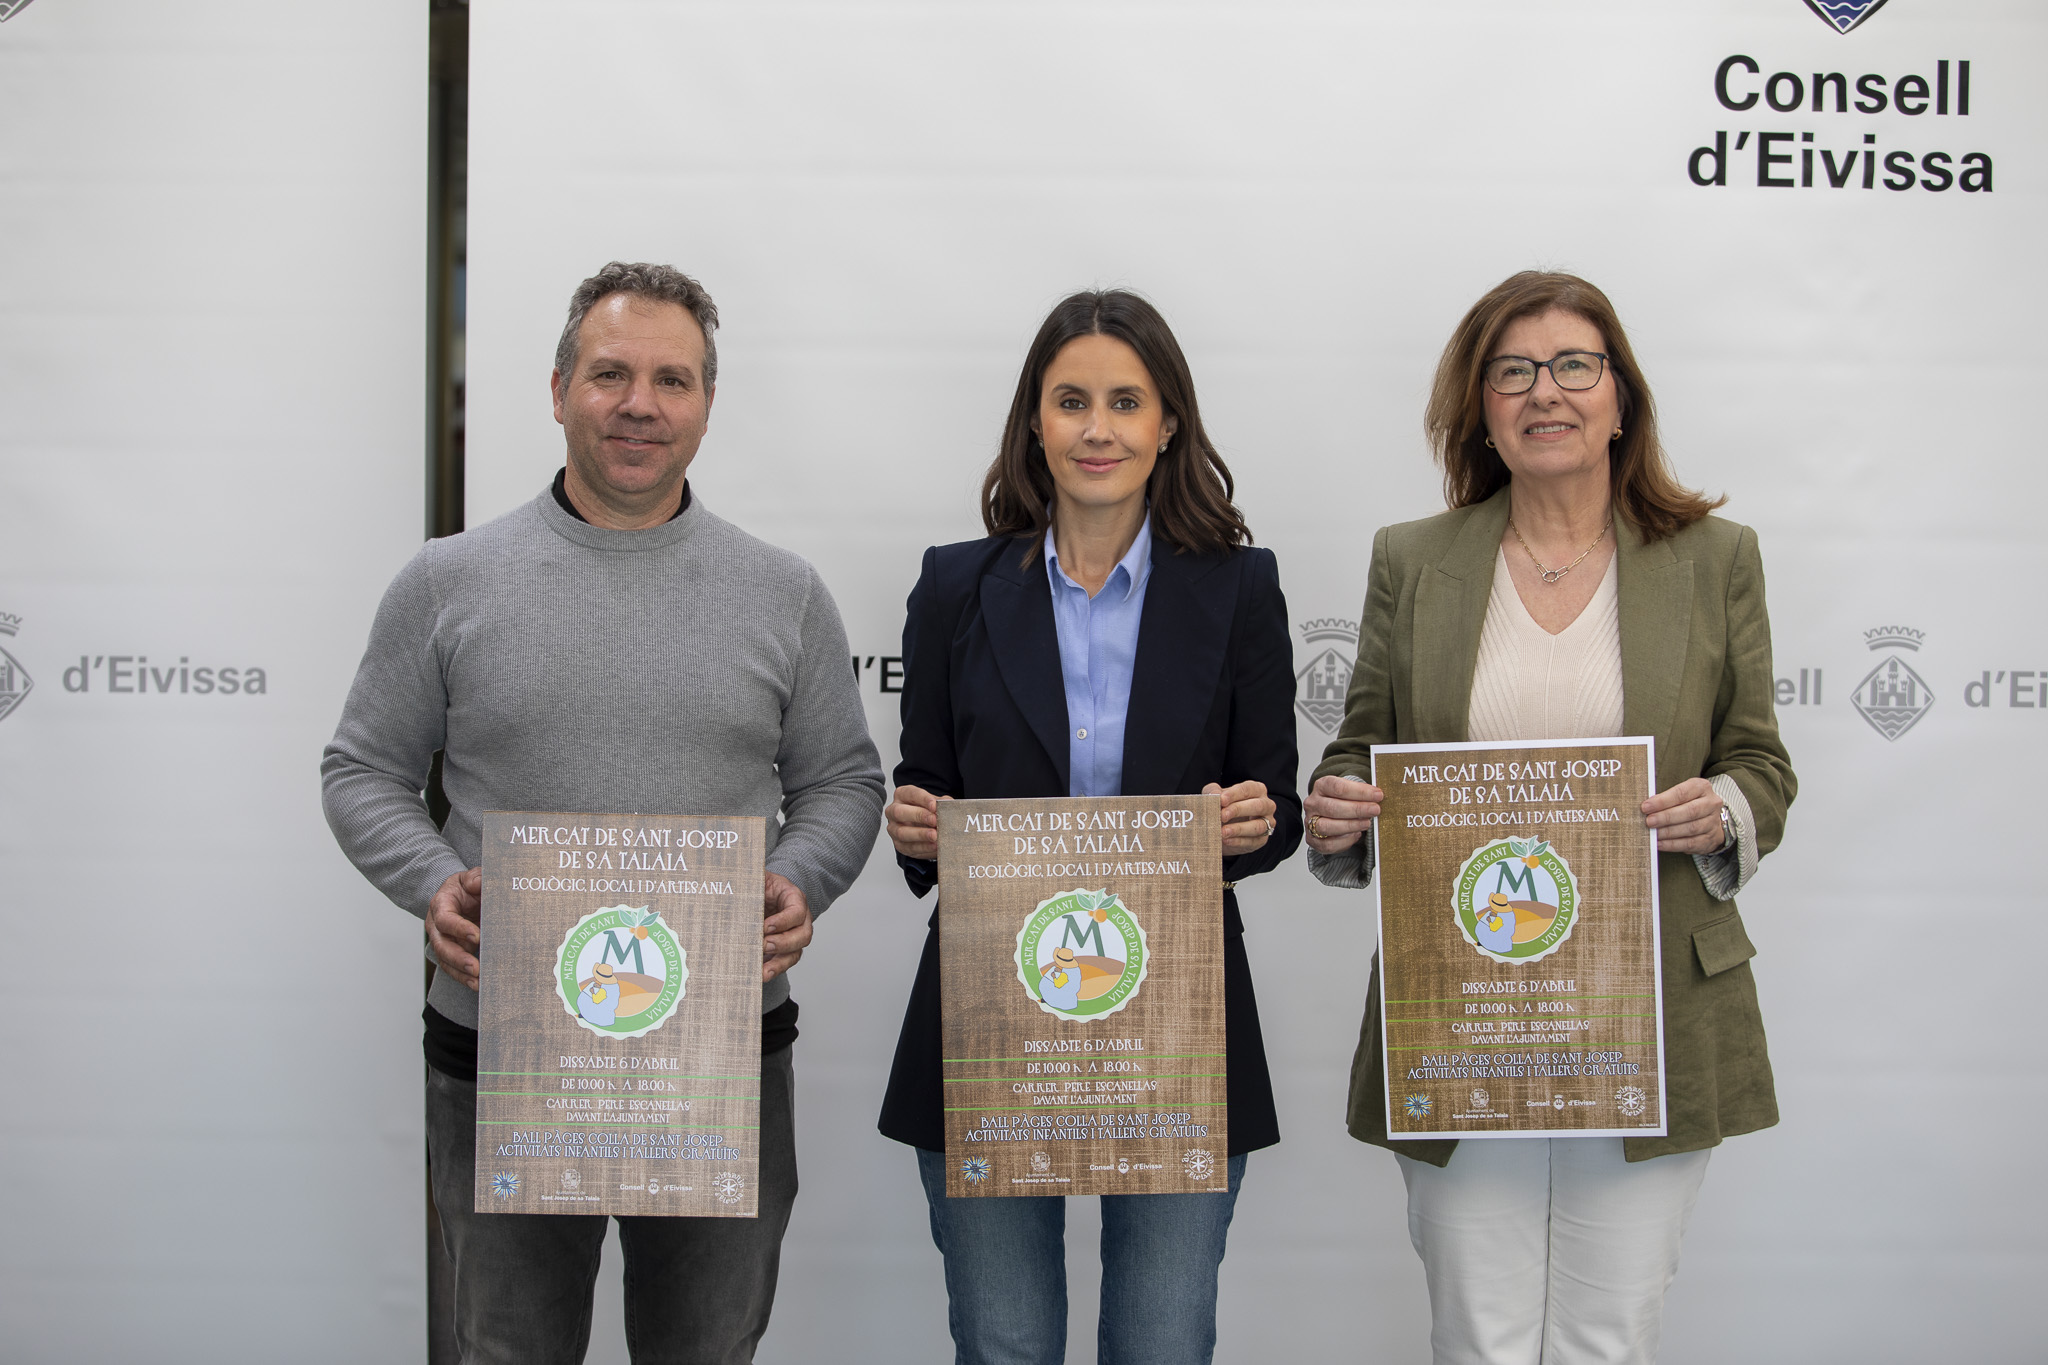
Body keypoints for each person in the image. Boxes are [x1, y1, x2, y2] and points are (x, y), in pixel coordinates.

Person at [321, 262, 885, 1365]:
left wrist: (799, 878)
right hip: (502, 1051)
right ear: (556, 390)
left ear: (707, 405)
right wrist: (433, 883)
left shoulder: (784, 592)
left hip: (719, 1052)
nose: (641, 404)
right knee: (509, 1349)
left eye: (673, 380)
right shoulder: (446, 582)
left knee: (705, 1349)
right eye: (610, 374)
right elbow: (362, 769)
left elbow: (842, 782)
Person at [1303, 270, 1795, 1365]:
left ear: (1621, 397)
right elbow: (1360, 749)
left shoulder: (1716, 559)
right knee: (1474, 1336)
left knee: (1606, 1338)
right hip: (1462, 1007)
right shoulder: (1412, 560)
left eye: (1574, 365)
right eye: (1512, 371)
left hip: (1651, 1007)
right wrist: (1339, 806)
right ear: (1479, 408)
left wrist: (1720, 809)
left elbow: (1759, 761)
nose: (1545, 391)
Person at [876, 289, 1301, 1365]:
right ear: (1035, 421)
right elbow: (926, 782)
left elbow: (1278, 807)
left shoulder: (1240, 588)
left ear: (1168, 422)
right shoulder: (954, 586)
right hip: (988, 1010)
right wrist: (915, 821)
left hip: (1178, 1019)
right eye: (1071, 401)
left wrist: (1252, 821)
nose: (1097, 429)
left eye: (1124, 401)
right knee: (1005, 1343)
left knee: (1161, 1344)